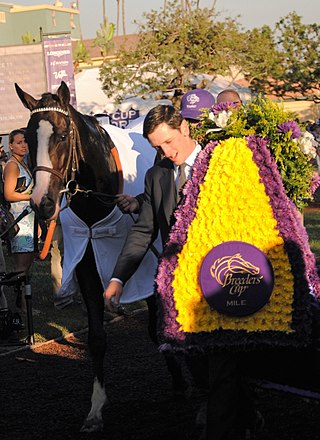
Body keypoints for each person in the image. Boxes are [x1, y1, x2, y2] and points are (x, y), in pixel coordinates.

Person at [104, 105, 261, 440]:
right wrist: (118, 278)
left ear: (186, 128)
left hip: (226, 280)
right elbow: (143, 232)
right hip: (181, 287)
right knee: (188, 352)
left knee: (223, 361)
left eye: (170, 142)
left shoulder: (225, 164)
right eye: (158, 147)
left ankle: (225, 421)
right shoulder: (156, 175)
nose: (166, 153)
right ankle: (242, 411)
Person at [3, 129, 37, 311]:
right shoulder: (12, 166)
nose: (23, 145)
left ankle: (24, 304)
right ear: (11, 145)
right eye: (19, 142)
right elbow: (9, 194)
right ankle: (20, 307)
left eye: (25, 141)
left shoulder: (23, 163)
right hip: (19, 221)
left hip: (30, 220)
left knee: (27, 267)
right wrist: (31, 197)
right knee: (21, 268)